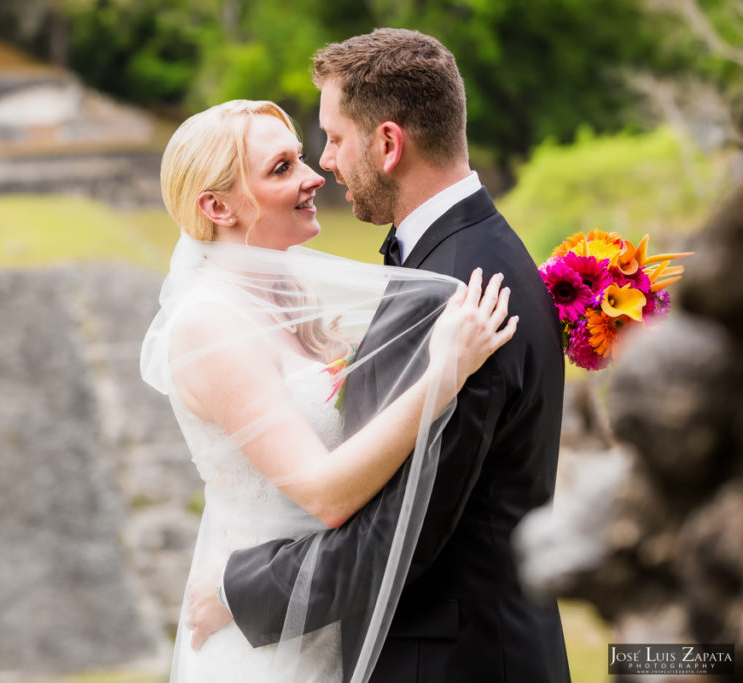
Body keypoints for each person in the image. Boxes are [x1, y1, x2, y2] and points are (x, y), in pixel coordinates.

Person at [188, 29, 572, 683]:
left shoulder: (459, 293)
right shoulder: (467, 257)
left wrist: (239, 590)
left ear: (389, 143)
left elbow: (403, 527)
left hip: (459, 658)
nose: (326, 163)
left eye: (334, 138)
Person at [140, 97, 517, 682]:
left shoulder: (296, 292)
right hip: (264, 639)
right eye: (282, 168)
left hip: (330, 607)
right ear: (217, 206)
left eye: (300, 157)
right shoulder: (207, 324)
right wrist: (445, 374)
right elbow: (325, 493)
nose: (316, 174)